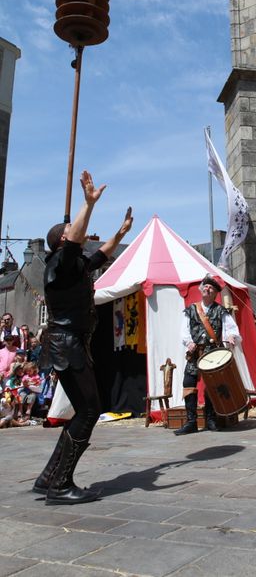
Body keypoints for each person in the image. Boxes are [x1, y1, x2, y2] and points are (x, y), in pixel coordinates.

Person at [33, 170, 132, 504]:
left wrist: (119, 234)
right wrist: (88, 204)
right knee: (89, 411)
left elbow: (98, 256)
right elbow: (76, 243)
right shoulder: (61, 262)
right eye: (73, 233)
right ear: (63, 240)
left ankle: (48, 477)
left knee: (83, 409)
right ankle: (60, 485)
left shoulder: (72, 267)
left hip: (71, 345)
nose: (82, 234)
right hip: (67, 345)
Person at [175, 275, 241, 435]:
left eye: (211, 287)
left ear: (215, 293)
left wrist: (231, 336)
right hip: (195, 353)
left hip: (213, 354)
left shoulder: (221, 311)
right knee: (188, 383)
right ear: (201, 289)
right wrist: (188, 342)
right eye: (205, 286)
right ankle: (191, 422)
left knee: (213, 385)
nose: (207, 288)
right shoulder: (191, 310)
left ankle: (210, 418)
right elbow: (184, 331)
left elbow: (232, 330)